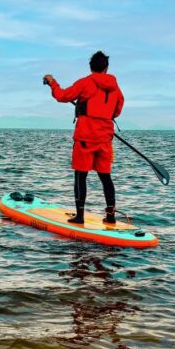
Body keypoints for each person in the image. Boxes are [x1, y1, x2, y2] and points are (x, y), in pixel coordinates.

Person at [43, 51, 123, 225]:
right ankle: (111, 216)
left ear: (91, 67)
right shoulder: (116, 88)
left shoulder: (85, 83)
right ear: (106, 68)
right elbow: (117, 110)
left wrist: (52, 82)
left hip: (85, 137)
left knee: (81, 176)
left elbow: (62, 96)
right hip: (105, 138)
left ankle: (79, 216)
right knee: (105, 177)